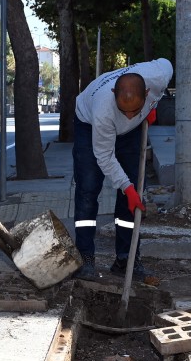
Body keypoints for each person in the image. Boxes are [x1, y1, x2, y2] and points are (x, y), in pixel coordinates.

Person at [72, 58, 173, 282]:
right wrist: (127, 188)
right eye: (123, 111)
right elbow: (104, 157)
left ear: (147, 92)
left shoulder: (159, 75)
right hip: (89, 125)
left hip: (133, 133)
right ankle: (85, 257)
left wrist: (152, 107)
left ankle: (126, 260)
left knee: (134, 191)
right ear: (113, 94)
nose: (128, 116)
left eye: (134, 111)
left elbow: (167, 62)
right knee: (88, 189)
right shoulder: (103, 111)